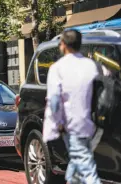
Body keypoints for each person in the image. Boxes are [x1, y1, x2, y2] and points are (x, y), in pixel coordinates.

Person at [43, 30, 101, 184]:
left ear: (63, 45)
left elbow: (54, 100)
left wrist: (58, 123)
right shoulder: (91, 65)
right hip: (90, 124)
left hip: (71, 125)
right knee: (75, 165)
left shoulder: (58, 68)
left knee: (87, 169)